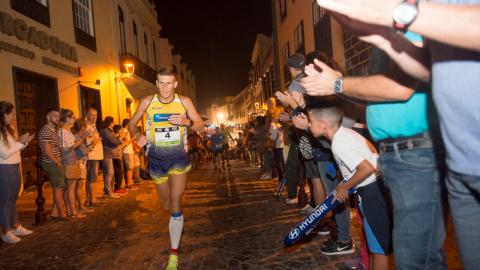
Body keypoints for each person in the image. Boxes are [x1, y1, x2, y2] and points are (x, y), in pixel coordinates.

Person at [313, 1, 480, 268]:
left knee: (415, 258)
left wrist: (337, 83)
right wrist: (382, 35)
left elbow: (401, 88)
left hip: (419, 150)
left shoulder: (412, 12)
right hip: (433, 154)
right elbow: (420, 71)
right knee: (416, 255)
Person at [302, 43, 447, 269]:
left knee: (411, 251)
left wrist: (337, 83)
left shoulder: (341, 140)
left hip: (412, 155)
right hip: (395, 159)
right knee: (401, 247)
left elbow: (400, 88)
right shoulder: (343, 136)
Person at [128, 68, 204, 270]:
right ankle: (174, 222)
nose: (164, 87)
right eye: (161, 83)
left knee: (175, 202)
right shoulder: (147, 102)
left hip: (178, 158)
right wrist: (136, 136)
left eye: (168, 83)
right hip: (156, 161)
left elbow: (200, 125)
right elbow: (131, 124)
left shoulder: (184, 101)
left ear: (175, 84)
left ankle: (173, 254)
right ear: (156, 82)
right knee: (165, 204)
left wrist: (187, 122)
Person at [308, 106, 392, 270]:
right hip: (374, 189)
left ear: (323, 124)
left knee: (379, 248)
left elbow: (367, 168)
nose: (309, 126)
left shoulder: (339, 143)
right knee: (374, 246)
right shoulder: (345, 133)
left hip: (372, 193)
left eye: (311, 122)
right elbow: (370, 152)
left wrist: (344, 187)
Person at [0, 101, 34, 243]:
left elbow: (14, 148)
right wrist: (20, 142)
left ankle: (16, 226)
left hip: (14, 165)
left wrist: (24, 142)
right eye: (11, 113)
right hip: (4, 167)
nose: (14, 116)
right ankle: (6, 231)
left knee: (14, 198)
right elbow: (5, 153)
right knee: (5, 200)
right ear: (2, 114)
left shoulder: (9, 128)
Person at [39, 109, 69, 221]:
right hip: (51, 162)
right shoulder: (46, 130)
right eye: (55, 116)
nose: (58, 118)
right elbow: (47, 149)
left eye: (58, 116)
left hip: (54, 162)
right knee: (58, 187)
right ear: (48, 117)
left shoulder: (53, 130)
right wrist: (57, 161)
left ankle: (55, 212)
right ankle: (62, 214)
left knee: (60, 187)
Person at [58, 109, 87, 219]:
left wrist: (80, 136)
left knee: (69, 188)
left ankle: (70, 210)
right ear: (67, 118)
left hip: (71, 160)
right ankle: (73, 212)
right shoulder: (62, 131)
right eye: (72, 117)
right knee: (71, 188)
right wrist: (82, 138)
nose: (74, 119)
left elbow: (73, 142)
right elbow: (71, 147)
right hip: (68, 161)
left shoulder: (66, 130)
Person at [71, 118, 93, 214]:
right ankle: (80, 206)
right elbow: (84, 151)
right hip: (79, 163)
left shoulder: (76, 137)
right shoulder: (77, 138)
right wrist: (92, 145)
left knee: (79, 186)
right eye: (84, 128)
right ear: (82, 128)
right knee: (79, 186)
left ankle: (79, 206)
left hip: (80, 162)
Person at [100, 117, 123, 198]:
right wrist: (120, 138)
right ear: (111, 123)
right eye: (113, 122)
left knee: (109, 173)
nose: (114, 124)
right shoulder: (106, 131)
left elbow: (111, 139)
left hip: (108, 154)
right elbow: (113, 142)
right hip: (107, 154)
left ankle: (108, 191)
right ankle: (108, 192)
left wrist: (116, 136)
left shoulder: (107, 131)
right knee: (109, 173)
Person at [85, 108, 103, 207]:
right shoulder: (87, 126)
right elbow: (89, 142)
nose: (94, 117)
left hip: (95, 155)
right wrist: (97, 140)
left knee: (91, 178)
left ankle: (89, 199)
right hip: (92, 155)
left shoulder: (93, 125)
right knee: (92, 178)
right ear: (87, 115)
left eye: (95, 115)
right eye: (92, 115)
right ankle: (92, 198)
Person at [120, 119, 137, 190]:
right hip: (127, 151)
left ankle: (128, 183)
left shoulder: (125, 131)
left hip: (128, 151)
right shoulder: (124, 131)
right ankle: (129, 184)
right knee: (129, 168)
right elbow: (125, 143)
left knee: (129, 168)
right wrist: (132, 139)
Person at [112, 124, 128, 196]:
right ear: (118, 130)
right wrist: (124, 143)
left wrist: (124, 142)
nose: (122, 131)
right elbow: (117, 147)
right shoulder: (115, 137)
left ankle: (118, 187)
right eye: (121, 130)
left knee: (119, 173)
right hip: (115, 156)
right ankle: (117, 188)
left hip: (117, 156)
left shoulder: (118, 137)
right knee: (118, 173)